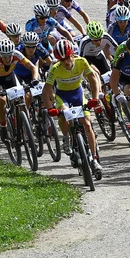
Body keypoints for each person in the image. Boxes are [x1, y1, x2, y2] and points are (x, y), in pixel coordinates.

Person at [42, 40, 103, 176]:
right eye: (62, 59)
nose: (66, 62)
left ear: (72, 54)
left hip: (77, 94)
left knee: (87, 124)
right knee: (64, 115)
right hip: (62, 96)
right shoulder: (55, 68)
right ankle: (66, 137)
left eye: (68, 57)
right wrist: (51, 106)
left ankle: (94, 158)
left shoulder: (81, 62)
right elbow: (47, 89)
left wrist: (95, 98)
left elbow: (93, 79)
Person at [0, 39, 39, 142]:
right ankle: (3, 126)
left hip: (9, 77)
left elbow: (33, 67)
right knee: (2, 100)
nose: (7, 59)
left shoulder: (17, 54)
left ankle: (23, 122)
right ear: (0, 55)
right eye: (4, 56)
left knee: (25, 96)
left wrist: (34, 79)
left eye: (10, 55)